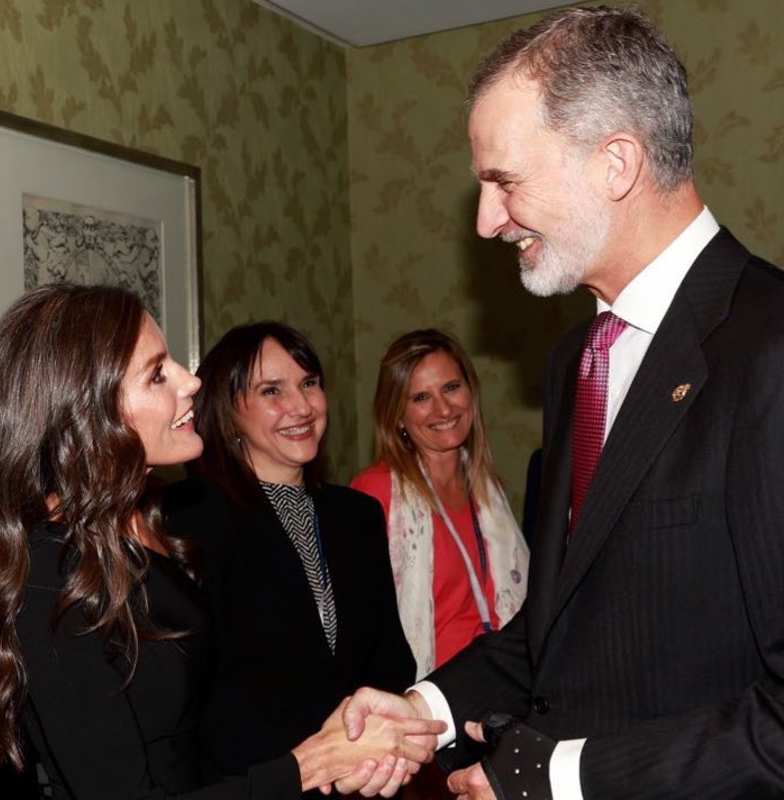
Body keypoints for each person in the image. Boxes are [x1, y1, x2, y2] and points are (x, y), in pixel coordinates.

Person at [332, 6, 784, 800]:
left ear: (616, 163)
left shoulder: (770, 349)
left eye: (504, 180)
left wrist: (557, 774)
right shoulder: (579, 358)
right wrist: (423, 709)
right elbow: (566, 622)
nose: (485, 220)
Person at [0, 285, 440, 799]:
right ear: (89, 408)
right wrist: (311, 763)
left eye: (309, 383)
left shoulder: (135, 532)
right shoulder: (50, 573)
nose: (191, 381)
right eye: (157, 373)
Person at [164, 322, 418, 795]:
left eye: (309, 384)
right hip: (247, 784)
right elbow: (187, 696)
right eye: (271, 391)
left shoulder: (357, 515)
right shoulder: (186, 521)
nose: (301, 407)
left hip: (359, 783)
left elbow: (390, 663)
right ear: (229, 408)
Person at [351, 329, 528, 678]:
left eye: (451, 387)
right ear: (397, 416)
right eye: (420, 397)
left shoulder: (488, 489)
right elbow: (358, 629)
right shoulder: (374, 493)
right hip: (425, 699)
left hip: (502, 686)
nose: (444, 409)